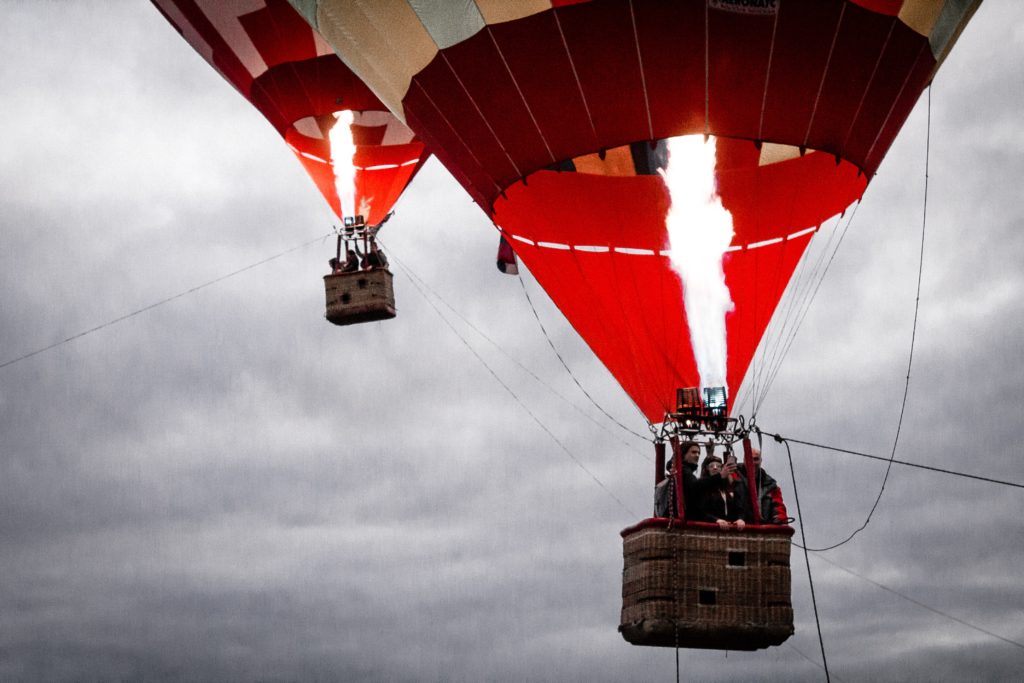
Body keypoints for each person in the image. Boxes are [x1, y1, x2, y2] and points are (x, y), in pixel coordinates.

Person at [653, 441, 711, 520]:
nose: (697, 455)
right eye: (693, 452)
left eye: (698, 453)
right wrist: (719, 477)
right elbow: (697, 486)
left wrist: (709, 456)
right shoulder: (683, 472)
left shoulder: (684, 472)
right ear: (683, 454)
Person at [734, 447, 789, 524]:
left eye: (756, 459)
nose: (752, 462)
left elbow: (778, 506)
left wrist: (780, 519)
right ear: (744, 460)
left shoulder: (770, 485)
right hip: (738, 525)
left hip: (762, 528)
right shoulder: (733, 475)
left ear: (760, 461)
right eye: (749, 459)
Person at [699, 454, 745, 529]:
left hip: (730, 529)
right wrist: (716, 520)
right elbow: (700, 511)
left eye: (718, 466)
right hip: (710, 529)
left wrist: (740, 519)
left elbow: (739, 507)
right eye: (711, 466)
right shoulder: (702, 488)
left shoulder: (729, 488)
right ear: (707, 469)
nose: (715, 468)